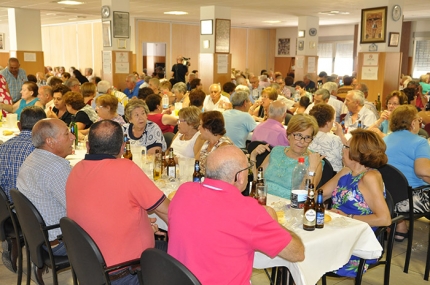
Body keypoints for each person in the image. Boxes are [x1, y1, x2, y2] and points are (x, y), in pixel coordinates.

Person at [168, 145, 305, 285]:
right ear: (239, 176)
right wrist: (273, 223)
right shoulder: (248, 210)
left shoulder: (184, 191)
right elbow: (297, 253)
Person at [66, 120, 170, 285]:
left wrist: (139, 225)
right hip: (126, 272)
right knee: (180, 258)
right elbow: (169, 212)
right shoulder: (126, 169)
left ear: (88, 146)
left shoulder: (75, 170)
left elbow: (102, 209)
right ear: (123, 147)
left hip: (87, 265)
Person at [320, 129, 391, 277]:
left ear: (357, 153)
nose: (343, 150)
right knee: (290, 247)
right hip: (336, 231)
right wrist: (312, 170)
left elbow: (385, 219)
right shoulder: (346, 171)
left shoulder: (370, 177)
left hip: (356, 241)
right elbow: (320, 195)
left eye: (346, 147)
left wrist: (347, 217)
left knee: (300, 254)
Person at [17, 118, 75, 284]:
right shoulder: (56, 167)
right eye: (67, 133)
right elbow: (77, 209)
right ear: (50, 141)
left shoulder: (33, 158)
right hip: (58, 242)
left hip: (37, 237)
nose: (72, 137)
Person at [383, 105, 430, 241]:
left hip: (387, 198)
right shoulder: (420, 142)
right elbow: (423, 172)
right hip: (410, 200)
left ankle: (400, 228)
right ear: (413, 122)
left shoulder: (384, 140)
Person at [250, 114, 323, 199]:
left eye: (307, 137)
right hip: (262, 200)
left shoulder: (314, 161)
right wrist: (253, 156)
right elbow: (256, 180)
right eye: (298, 135)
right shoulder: (276, 151)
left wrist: (312, 169)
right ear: (289, 135)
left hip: (288, 207)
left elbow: (304, 197)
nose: (302, 141)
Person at [196, 110, 233, 176]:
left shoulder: (224, 146)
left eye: (200, 125)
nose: (198, 128)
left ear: (208, 128)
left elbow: (219, 173)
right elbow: (196, 161)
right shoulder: (207, 143)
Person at [309, 104, 344, 172]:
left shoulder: (307, 136)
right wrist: (341, 135)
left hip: (313, 173)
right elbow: (345, 158)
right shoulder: (335, 139)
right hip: (333, 177)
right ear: (327, 123)